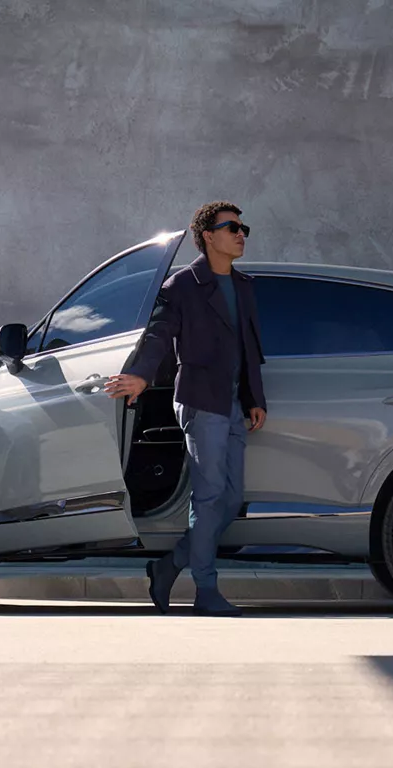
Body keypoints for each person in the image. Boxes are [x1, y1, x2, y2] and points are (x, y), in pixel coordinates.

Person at [105, 201, 267, 617]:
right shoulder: (183, 286)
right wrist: (140, 376)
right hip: (200, 399)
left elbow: (249, 348)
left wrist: (254, 399)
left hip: (232, 404)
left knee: (230, 500)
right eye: (231, 227)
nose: (241, 233)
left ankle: (168, 565)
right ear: (207, 236)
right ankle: (206, 591)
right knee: (209, 496)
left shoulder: (244, 286)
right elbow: (159, 336)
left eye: (242, 227)